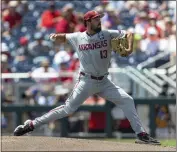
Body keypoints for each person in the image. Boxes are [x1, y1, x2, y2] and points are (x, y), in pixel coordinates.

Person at [13, 10, 160, 145]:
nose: (99, 21)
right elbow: (61, 37)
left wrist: (128, 48)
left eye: (99, 18)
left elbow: (128, 34)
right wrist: (53, 36)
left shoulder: (107, 33)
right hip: (86, 81)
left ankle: (141, 134)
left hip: (104, 81)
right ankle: (31, 125)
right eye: (96, 19)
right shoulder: (78, 37)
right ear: (88, 22)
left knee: (127, 100)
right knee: (68, 109)